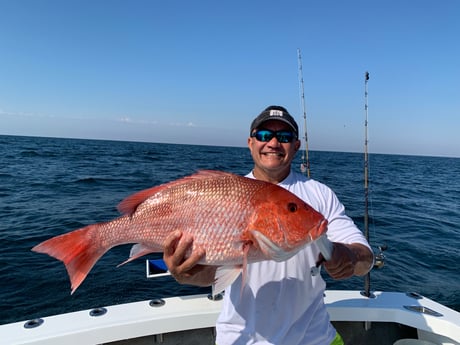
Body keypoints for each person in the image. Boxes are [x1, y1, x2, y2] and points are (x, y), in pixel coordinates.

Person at [163, 105, 374, 345]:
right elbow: (214, 274)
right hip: (241, 339)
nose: (273, 143)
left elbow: (364, 258)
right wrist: (186, 273)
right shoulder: (227, 193)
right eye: (264, 135)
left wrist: (349, 257)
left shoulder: (321, 196)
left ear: (296, 146)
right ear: (250, 142)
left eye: (284, 137)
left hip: (315, 339)